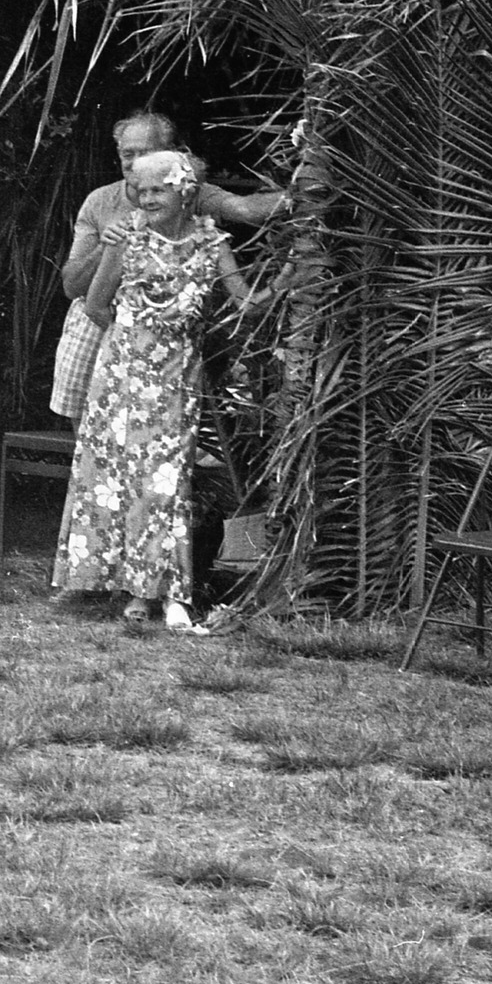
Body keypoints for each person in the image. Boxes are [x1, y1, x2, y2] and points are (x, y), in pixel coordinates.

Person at [53, 150, 261, 631]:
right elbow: (96, 304)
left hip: (175, 379)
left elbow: (247, 305)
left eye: (157, 190)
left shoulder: (211, 242)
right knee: (110, 477)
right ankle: (113, 584)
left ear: (185, 190)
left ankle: (158, 591)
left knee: (165, 483)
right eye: (140, 191)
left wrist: (289, 277)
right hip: (120, 375)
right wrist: (133, 340)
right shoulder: (124, 238)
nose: (146, 199)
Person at [51, 109, 289, 422]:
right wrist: (106, 248)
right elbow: (73, 288)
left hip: (167, 340)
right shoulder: (100, 201)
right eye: (127, 153)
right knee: (89, 431)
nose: (135, 161)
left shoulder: (189, 194)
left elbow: (244, 209)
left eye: (145, 152)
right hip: (101, 325)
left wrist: (301, 194)